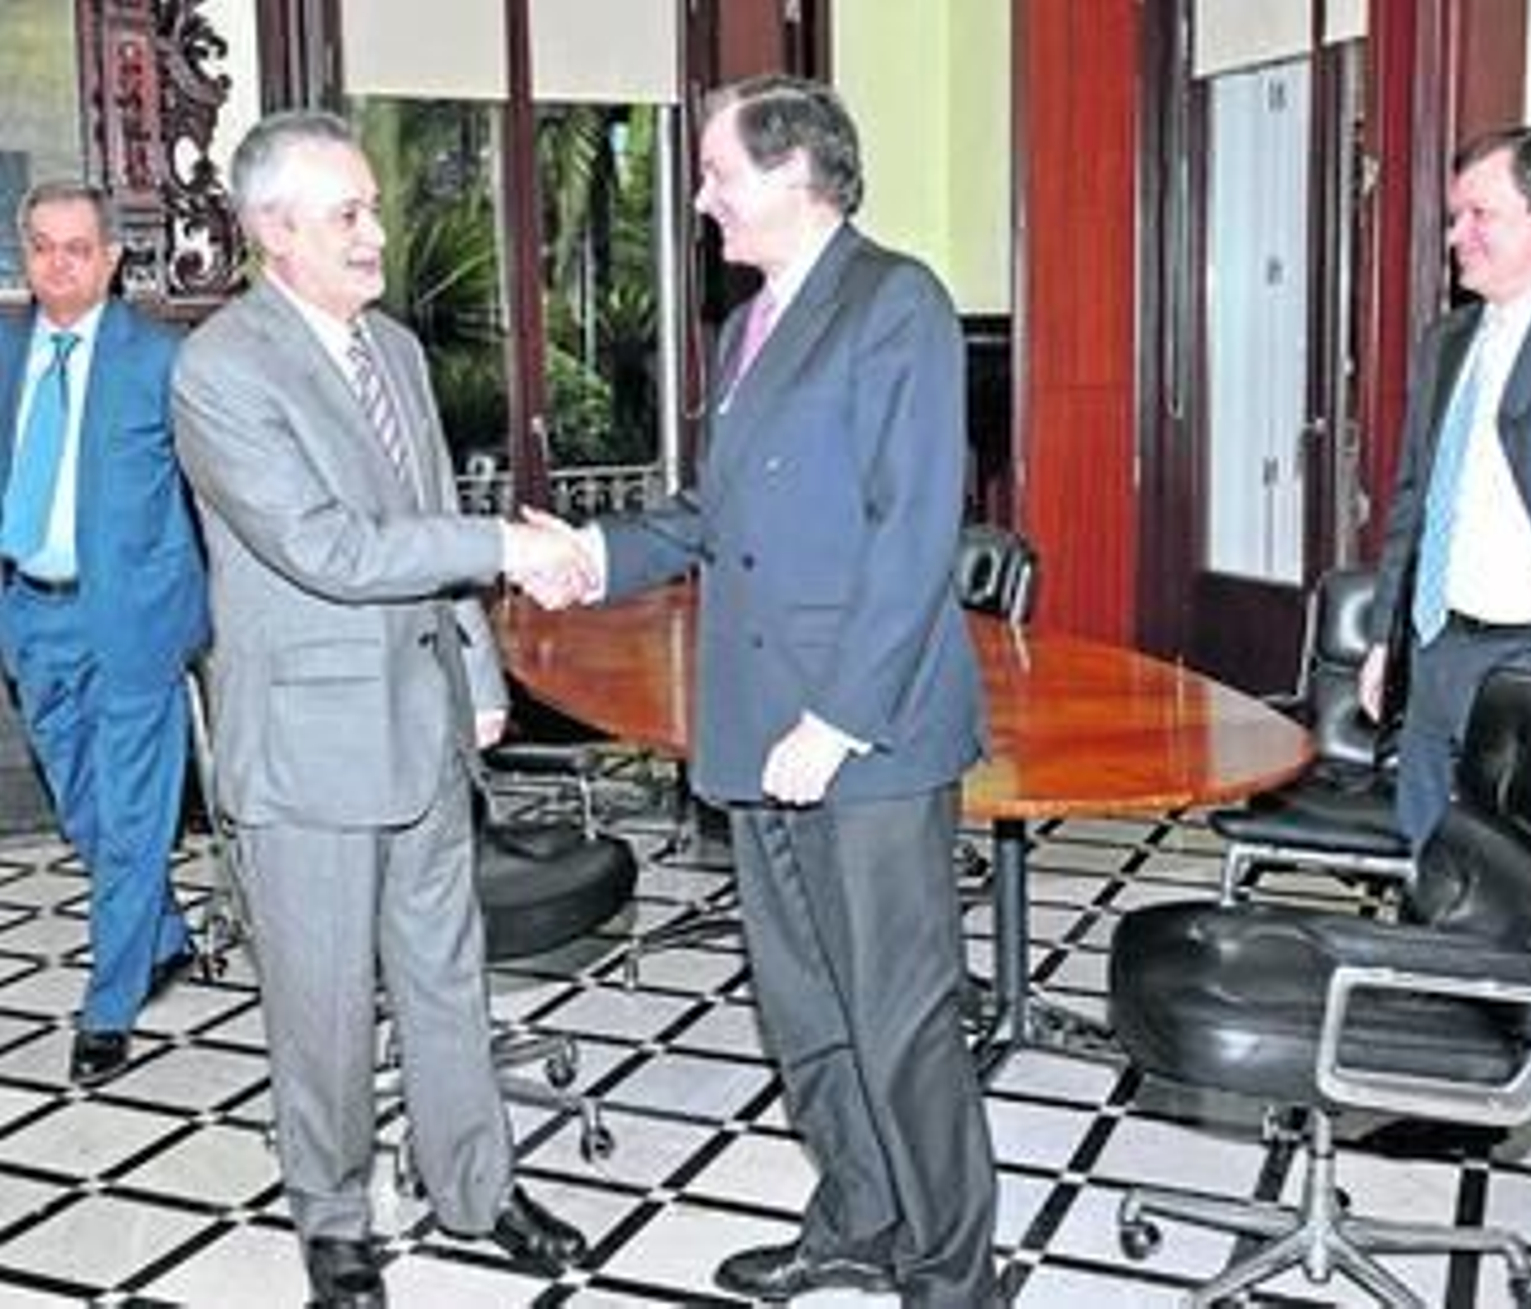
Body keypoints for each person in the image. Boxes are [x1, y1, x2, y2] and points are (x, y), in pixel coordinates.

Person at [554, 74, 1001, 1307]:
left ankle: (953, 1275)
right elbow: (714, 513)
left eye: (717, 175)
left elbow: (914, 532)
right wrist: (591, 553)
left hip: (866, 733)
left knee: (900, 1017)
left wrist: (839, 720)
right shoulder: (745, 325)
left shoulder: (895, 299)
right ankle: (857, 1219)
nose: (701, 201)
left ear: (797, 173)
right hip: (759, 721)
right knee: (804, 1005)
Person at [170, 110, 595, 1309]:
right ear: (273, 231)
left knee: (448, 976)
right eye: (348, 213)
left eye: (371, 207)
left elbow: (427, 515)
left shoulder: (396, 350)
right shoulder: (220, 370)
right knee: (321, 1005)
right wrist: (507, 544)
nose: (377, 232)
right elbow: (330, 548)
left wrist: (477, 680)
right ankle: (335, 1220)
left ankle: (476, 1188)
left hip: (423, 724)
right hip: (308, 748)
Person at [0, 181, 207, 1088]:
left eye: (78, 247)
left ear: (113, 258)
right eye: (42, 246)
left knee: (129, 815)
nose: (59, 264)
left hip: (134, 623)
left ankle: (110, 1005)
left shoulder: (162, 359)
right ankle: (161, 935)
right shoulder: (5, 353)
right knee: (82, 804)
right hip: (30, 614)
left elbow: (215, 495)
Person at [1359, 125, 1531, 849]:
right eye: (1455, 215)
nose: (1456, 235)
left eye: (1479, 214)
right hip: (1439, 649)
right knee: (1429, 861)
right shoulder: (1448, 341)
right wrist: (1386, 640)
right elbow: (1414, 499)